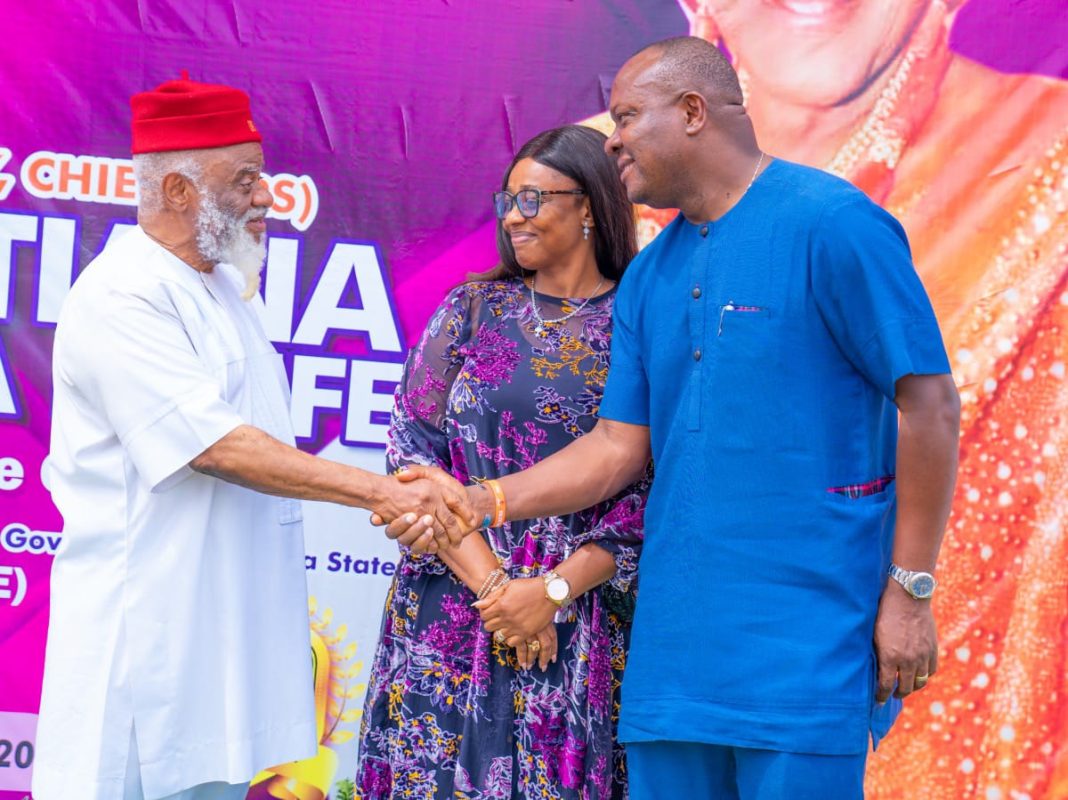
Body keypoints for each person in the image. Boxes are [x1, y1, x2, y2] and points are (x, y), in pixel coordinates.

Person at [387, 37, 961, 799]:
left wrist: (911, 591)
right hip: (670, 659)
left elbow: (930, 405)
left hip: (804, 646)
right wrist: (486, 498)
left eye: (627, 116)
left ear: (693, 112)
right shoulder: (653, 274)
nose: (612, 138)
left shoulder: (833, 224)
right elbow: (616, 448)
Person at [663, 3, 1068, 796]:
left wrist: (912, 593)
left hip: (866, 699)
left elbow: (929, 409)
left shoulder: (1047, 181)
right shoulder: (593, 199)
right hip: (678, 679)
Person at [33, 76, 472, 800]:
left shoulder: (223, 289)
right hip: (145, 666)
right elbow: (217, 447)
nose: (266, 196)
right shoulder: (122, 296)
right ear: (178, 190)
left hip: (217, 666)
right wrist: (382, 492)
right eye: (245, 180)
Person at [356, 124, 648, 799]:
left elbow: (645, 487)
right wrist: (496, 591)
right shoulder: (471, 309)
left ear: (589, 206)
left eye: (534, 199)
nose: (514, 217)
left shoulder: (638, 323)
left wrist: (548, 594)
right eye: (507, 200)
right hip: (451, 601)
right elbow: (412, 455)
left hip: (571, 623)